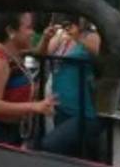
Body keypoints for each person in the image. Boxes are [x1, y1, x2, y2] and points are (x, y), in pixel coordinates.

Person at [0, 12, 55, 147]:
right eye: (28, 27)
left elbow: (39, 53)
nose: (32, 32)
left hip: (9, 132)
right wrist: (34, 107)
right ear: (10, 31)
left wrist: (46, 38)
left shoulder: (14, 55)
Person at [38, 15, 103, 158]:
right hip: (60, 107)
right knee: (68, 156)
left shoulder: (91, 36)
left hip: (81, 111)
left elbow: (97, 52)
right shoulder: (60, 37)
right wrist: (46, 38)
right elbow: (42, 56)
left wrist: (78, 37)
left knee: (50, 145)